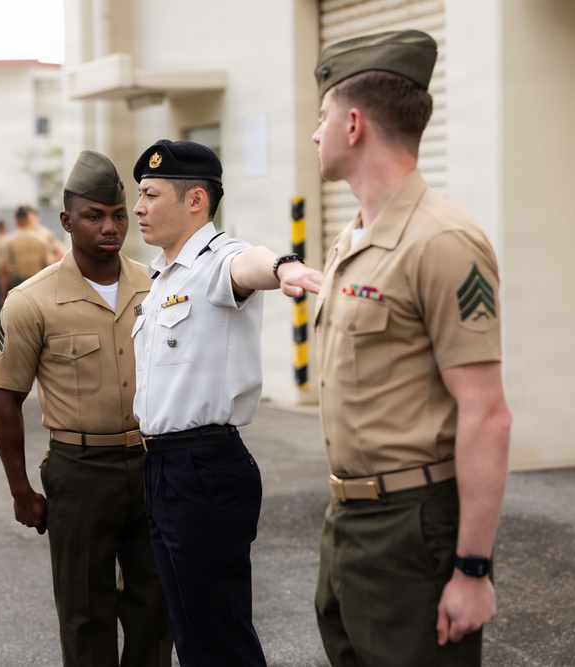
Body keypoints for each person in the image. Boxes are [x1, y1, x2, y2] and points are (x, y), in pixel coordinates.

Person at [310, 30, 512, 667]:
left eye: (322, 117)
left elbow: (486, 413)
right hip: (348, 518)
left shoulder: (442, 241)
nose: (314, 134)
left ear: (354, 124)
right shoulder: (352, 241)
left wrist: (472, 570)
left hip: (411, 526)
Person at [130, 139, 322, 667]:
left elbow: (250, 263)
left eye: (149, 195)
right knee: (191, 631)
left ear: (195, 200)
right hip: (163, 466)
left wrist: (283, 266)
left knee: (219, 636)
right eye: (138, 196)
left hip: (204, 467)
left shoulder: (217, 261)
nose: (138, 207)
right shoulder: (159, 275)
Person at [0, 151, 173, 667]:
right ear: (66, 221)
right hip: (80, 470)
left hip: (154, 463)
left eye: (117, 214)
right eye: (94, 216)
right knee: (85, 613)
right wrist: (21, 489)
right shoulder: (31, 301)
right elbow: (6, 400)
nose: (109, 227)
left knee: (154, 609)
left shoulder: (158, 287)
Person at [0, 204, 63, 298]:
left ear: (16, 221)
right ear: (29, 218)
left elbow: (4, 268)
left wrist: (3, 293)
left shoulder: (9, 240)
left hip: (18, 282)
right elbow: (57, 257)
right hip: (39, 280)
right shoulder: (43, 237)